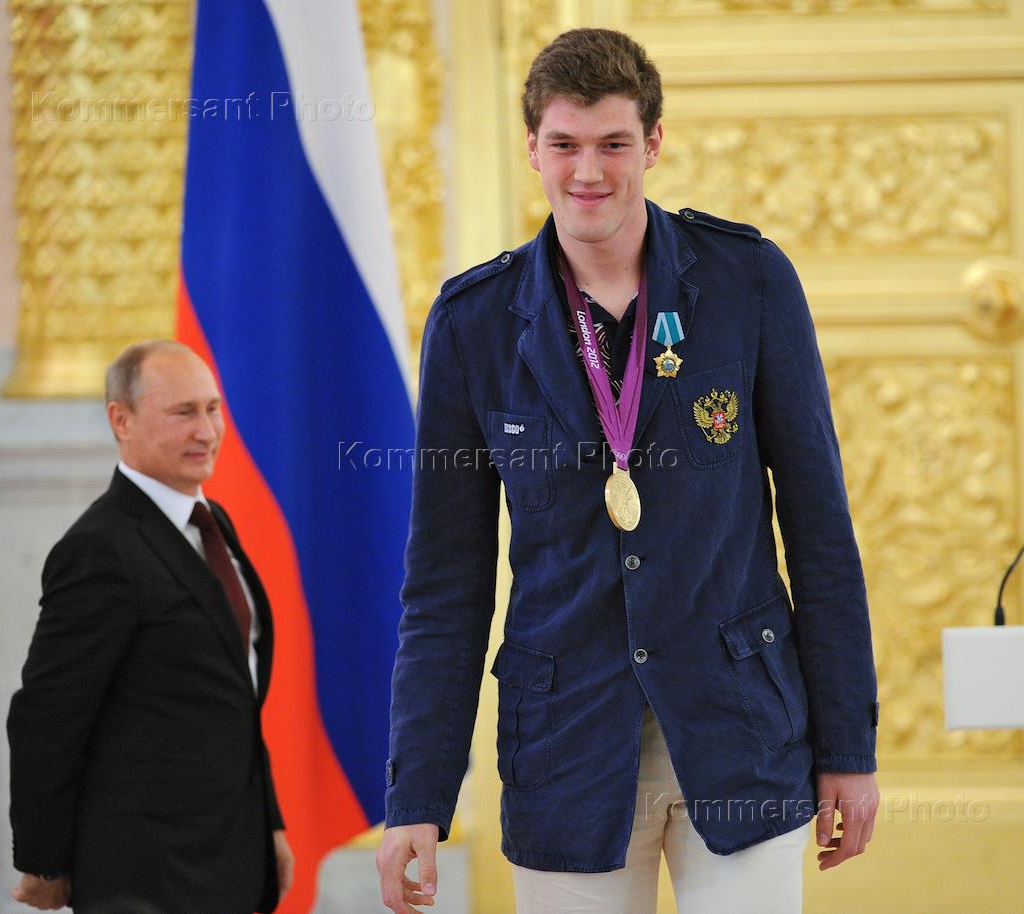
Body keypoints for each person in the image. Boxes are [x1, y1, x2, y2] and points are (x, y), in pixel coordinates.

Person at [377, 28, 879, 914]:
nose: (588, 172)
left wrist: (850, 748)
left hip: (740, 729)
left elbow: (820, 531)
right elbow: (444, 585)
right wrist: (417, 796)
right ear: (531, 147)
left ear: (652, 142)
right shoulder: (474, 323)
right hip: (565, 745)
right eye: (564, 144)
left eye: (613, 144)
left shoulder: (748, 281)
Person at [6, 340, 294, 913]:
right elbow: (47, 715)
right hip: (143, 875)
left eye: (212, 409)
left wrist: (270, 824)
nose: (207, 431)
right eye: (183, 413)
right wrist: (45, 859)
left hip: (229, 857)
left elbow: (228, 695)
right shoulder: (98, 549)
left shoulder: (214, 524)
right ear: (122, 420)